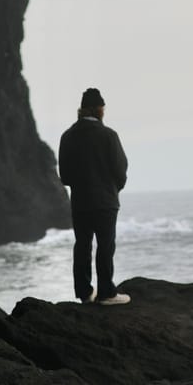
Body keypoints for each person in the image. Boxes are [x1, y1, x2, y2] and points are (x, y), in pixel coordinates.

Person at [58, 87, 130, 305]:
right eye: (103, 108)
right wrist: (113, 188)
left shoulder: (68, 136)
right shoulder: (109, 135)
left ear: (81, 110)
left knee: (82, 245)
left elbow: (65, 176)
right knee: (105, 246)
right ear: (99, 109)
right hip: (105, 201)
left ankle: (84, 293)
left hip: (80, 202)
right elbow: (120, 169)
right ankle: (107, 293)